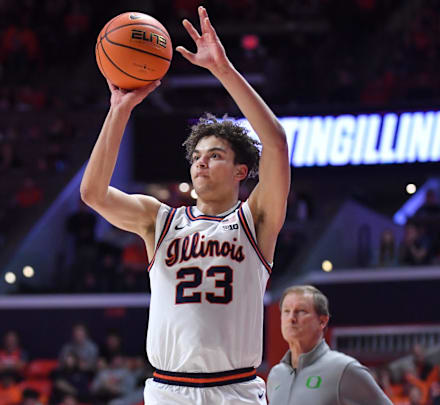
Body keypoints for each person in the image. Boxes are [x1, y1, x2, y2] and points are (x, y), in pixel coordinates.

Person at [80, 6, 289, 404]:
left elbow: (276, 143)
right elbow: (93, 193)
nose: (201, 163)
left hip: (235, 390)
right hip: (167, 390)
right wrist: (118, 111)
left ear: (241, 171)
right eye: (196, 158)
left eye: (214, 156)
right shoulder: (158, 219)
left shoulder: (255, 219)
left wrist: (223, 69)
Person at [266, 285, 391, 404]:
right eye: (286, 311)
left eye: (301, 311)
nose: (291, 318)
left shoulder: (344, 369)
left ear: (322, 321)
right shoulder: (276, 375)